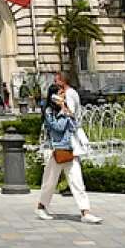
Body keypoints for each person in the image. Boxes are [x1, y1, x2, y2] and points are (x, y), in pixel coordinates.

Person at [36, 89, 101, 223]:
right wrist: (63, 112)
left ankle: (85, 212)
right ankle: (41, 207)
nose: (63, 96)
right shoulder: (49, 111)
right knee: (50, 181)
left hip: (70, 149)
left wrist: (67, 111)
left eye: (63, 94)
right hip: (57, 151)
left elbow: (74, 126)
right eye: (60, 94)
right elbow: (58, 127)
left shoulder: (65, 108)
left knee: (77, 181)